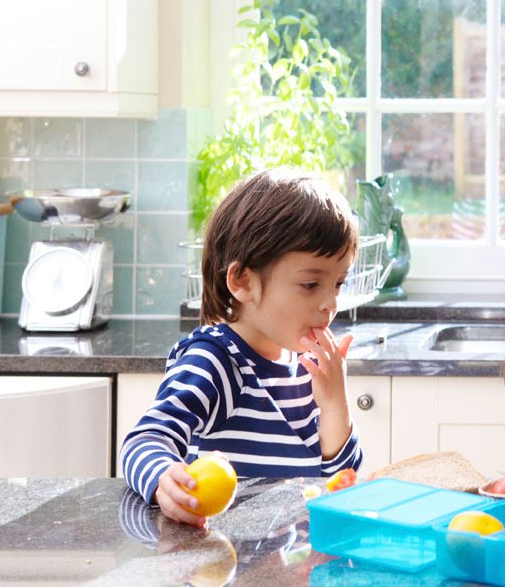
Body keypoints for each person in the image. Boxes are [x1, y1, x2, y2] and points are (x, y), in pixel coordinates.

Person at [121, 168, 364, 525]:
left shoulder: (305, 364)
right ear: (242, 281)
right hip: (220, 566)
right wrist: (162, 480)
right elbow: (144, 440)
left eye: (339, 283)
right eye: (311, 284)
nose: (331, 303)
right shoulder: (216, 360)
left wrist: (334, 403)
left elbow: (339, 487)